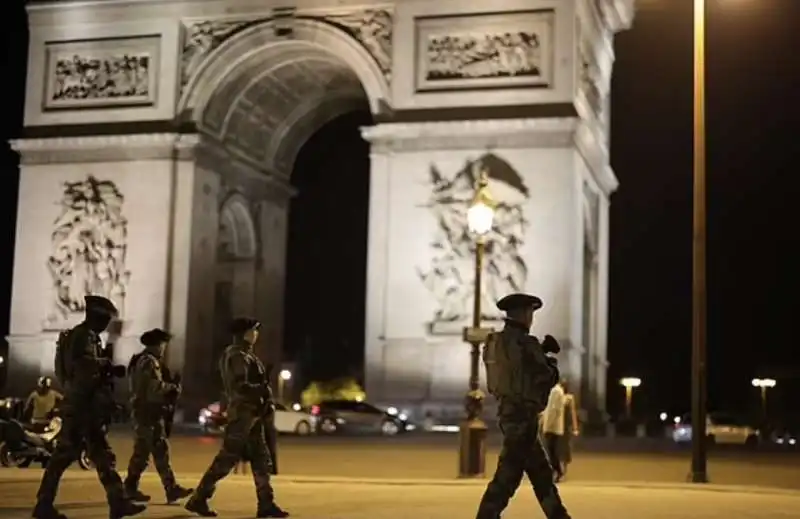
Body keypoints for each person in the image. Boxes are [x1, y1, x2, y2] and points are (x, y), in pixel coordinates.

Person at [33, 295, 146, 519]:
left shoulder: (88, 336)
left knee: (92, 455)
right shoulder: (83, 336)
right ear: (95, 317)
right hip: (82, 406)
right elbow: (84, 369)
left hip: (83, 405)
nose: (106, 325)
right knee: (77, 455)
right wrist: (107, 367)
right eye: (104, 319)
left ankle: (117, 502)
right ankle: (46, 504)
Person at [476, 293, 571, 519]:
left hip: (507, 412)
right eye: (530, 313)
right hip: (524, 417)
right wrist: (549, 359)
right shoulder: (527, 344)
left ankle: (559, 516)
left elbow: (510, 373)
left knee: (541, 473)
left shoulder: (494, 342)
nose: (531, 318)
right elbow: (547, 377)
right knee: (508, 476)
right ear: (524, 314)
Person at [185, 318, 289, 518]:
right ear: (244, 333)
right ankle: (199, 498)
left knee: (261, 459)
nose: (255, 335)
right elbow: (241, 386)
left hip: (253, 414)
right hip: (243, 414)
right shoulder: (237, 356)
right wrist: (260, 388)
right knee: (226, 459)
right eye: (253, 331)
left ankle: (266, 503)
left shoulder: (246, 356)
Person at [124, 328, 193, 503]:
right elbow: (154, 388)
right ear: (156, 345)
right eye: (162, 345)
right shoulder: (149, 362)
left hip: (148, 413)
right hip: (148, 413)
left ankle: (170, 488)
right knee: (147, 453)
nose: (163, 349)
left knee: (155, 452)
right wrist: (172, 388)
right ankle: (132, 488)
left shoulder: (141, 360)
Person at [541, 380, 566, 482]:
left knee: (551, 451)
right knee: (551, 450)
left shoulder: (556, 391)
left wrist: (548, 425)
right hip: (553, 426)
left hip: (552, 427)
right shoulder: (555, 390)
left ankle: (557, 471)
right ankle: (555, 471)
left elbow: (553, 410)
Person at [559, 380, 579, 477]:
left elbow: (572, 413)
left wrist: (575, 427)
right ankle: (559, 467)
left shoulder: (569, 398)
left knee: (565, 447)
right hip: (559, 425)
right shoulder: (558, 396)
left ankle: (564, 467)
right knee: (558, 446)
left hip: (566, 426)